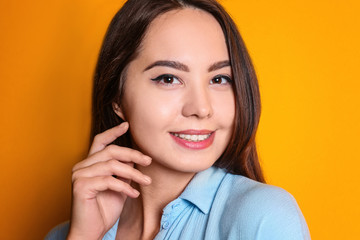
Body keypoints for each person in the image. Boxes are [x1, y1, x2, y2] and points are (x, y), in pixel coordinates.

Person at [46, 0, 311, 239]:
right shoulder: (66, 235)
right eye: (169, 78)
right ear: (117, 97)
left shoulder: (262, 217)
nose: (201, 108)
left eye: (219, 79)